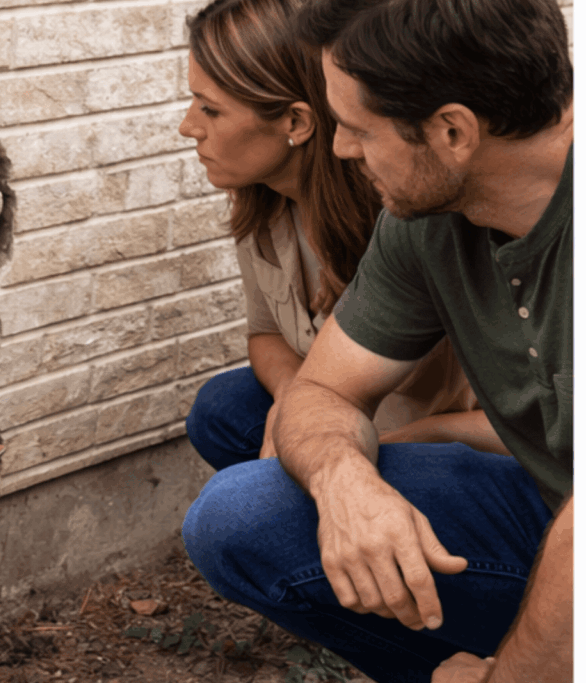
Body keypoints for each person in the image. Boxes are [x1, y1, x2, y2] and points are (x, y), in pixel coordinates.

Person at [182, 0, 572, 681]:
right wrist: (345, 481)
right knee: (240, 516)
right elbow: (324, 388)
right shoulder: (430, 215)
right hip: (545, 502)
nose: (340, 148)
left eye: (359, 128)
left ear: (453, 130)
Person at [178, 0, 498, 472]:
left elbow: (518, 419)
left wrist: (364, 449)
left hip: (440, 434)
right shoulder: (260, 198)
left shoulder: (407, 210)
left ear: (296, 122)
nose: (187, 127)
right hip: (338, 417)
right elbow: (266, 332)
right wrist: (293, 397)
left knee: (237, 511)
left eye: (210, 110)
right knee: (222, 410)